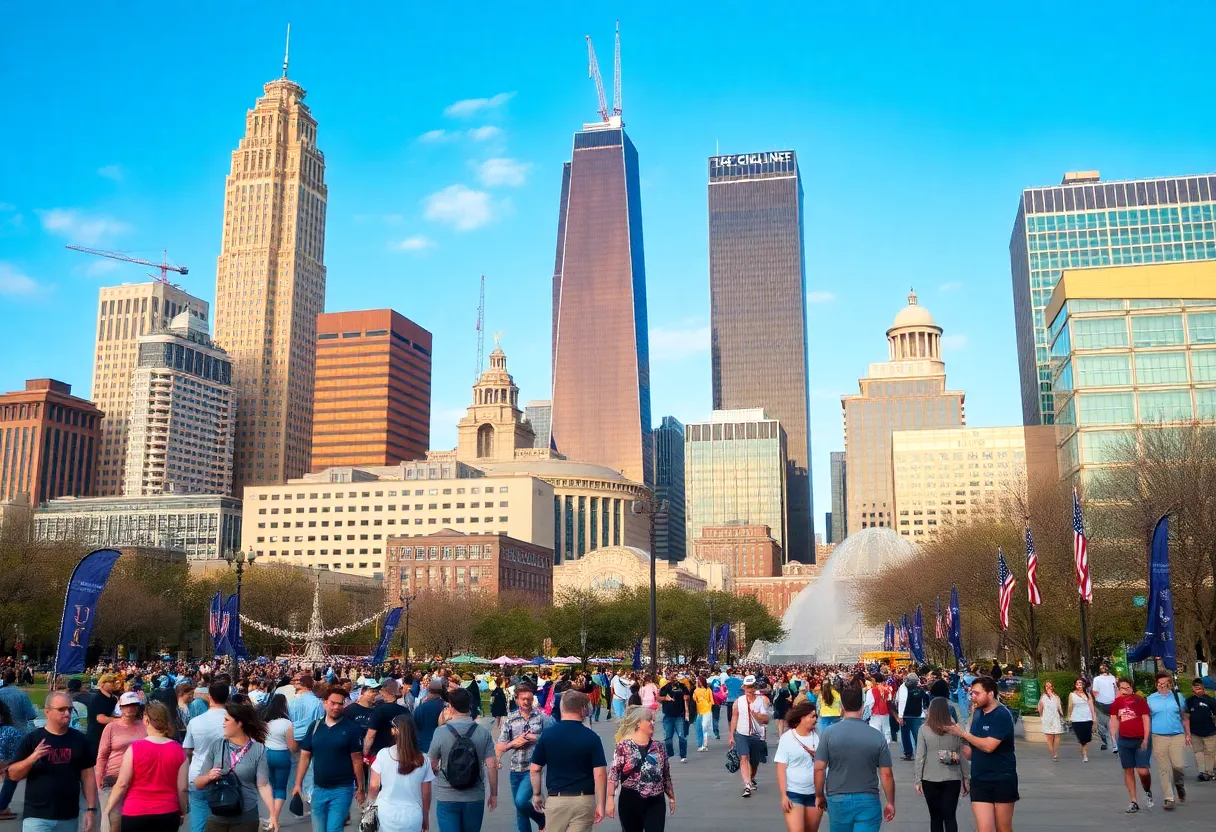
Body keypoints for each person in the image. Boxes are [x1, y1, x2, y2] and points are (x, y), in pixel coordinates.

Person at [7, 691, 98, 832]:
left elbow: (87, 775)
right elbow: (13, 775)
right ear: (47, 712)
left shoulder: (80, 739)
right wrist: (32, 758)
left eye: (70, 709)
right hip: (37, 816)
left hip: (68, 817)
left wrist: (91, 808)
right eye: (61, 709)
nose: (67, 713)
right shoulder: (32, 739)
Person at [813, 684, 895, 831]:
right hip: (868, 798)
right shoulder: (877, 736)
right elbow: (886, 774)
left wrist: (819, 794)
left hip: (837, 797)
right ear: (863, 707)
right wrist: (890, 802)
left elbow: (819, 768)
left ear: (842, 706)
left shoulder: (828, 734)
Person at [104, 701, 188, 832]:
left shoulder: (134, 748)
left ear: (147, 721)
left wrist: (108, 808)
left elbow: (122, 783)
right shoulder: (179, 751)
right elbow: (182, 788)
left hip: (135, 811)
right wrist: (182, 811)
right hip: (168, 811)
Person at [530, 691, 607, 832]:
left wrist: (536, 794)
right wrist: (601, 804)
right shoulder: (592, 737)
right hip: (584, 800)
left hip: (556, 799)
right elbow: (600, 773)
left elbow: (535, 768)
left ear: (562, 708)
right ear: (583, 710)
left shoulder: (548, 735)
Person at [194, 702, 277, 832]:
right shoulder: (217, 745)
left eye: (227, 720)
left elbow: (263, 784)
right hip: (217, 816)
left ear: (239, 723)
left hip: (246, 817)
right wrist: (208, 777)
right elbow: (198, 783)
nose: (223, 724)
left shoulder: (258, 749)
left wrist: (273, 815)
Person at [949, 676, 1016, 832]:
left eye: (977, 693)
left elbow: (989, 746)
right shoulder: (978, 714)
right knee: (984, 828)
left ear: (990, 694)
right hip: (979, 779)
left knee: (1003, 827)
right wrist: (955, 740)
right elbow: (972, 753)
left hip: (1002, 778)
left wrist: (964, 734)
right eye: (972, 693)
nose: (973, 697)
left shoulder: (1002, 715)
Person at [294, 687, 366, 832]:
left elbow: (357, 760)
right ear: (325, 703)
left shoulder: (351, 729)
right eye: (333, 703)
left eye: (340, 704)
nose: (336, 707)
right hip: (318, 789)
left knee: (334, 829)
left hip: (342, 789)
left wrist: (361, 788)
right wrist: (297, 784)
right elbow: (304, 756)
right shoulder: (314, 727)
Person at [428, 687, 497, 832]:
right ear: (470, 705)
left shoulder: (440, 732)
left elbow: (432, 764)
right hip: (474, 796)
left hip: (447, 795)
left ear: (451, 706)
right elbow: (491, 765)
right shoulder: (483, 732)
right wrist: (494, 794)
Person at [606, 706, 673, 832]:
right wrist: (610, 798)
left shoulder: (659, 746)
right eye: (649, 720)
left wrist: (671, 797)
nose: (653, 723)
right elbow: (614, 774)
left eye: (653, 720)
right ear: (638, 723)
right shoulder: (624, 747)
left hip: (655, 800)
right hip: (630, 800)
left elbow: (666, 774)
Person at [495, 685, 551, 832]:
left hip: (533, 769)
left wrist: (536, 738)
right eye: (523, 699)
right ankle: (538, 821)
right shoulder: (511, 719)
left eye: (529, 699)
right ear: (517, 700)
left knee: (521, 802)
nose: (526, 702)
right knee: (520, 811)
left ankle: (542, 819)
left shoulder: (541, 717)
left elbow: (552, 739)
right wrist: (513, 743)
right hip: (515, 768)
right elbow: (500, 745)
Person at [369, 715, 434, 832]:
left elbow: (374, 786)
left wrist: (370, 806)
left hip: (386, 813)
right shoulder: (424, 759)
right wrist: (425, 817)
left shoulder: (383, 754)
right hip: (413, 816)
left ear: (394, 731)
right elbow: (426, 794)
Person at [96, 691, 149, 832]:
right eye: (127, 705)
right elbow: (102, 754)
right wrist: (99, 777)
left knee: (136, 819)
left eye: (133, 705)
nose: (130, 708)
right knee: (115, 820)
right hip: (114, 776)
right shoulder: (111, 727)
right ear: (121, 706)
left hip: (139, 778)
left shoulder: (145, 726)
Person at [914, 697, 968, 832]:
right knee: (950, 816)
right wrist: (967, 777)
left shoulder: (924, 728)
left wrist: (917, 779)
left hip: (929, 776)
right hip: (952, 776)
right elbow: (963, 755)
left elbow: (920, 755)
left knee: (935, 817)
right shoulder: (956, 729)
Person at [184, 681, 231, 832]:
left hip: (198, 776)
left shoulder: (195, 722)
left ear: (210, 697)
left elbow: (187, 750)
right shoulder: (234, 722)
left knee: (198, 824)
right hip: (227, 777)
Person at [774, 700, 822, 832]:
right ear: (802, 718)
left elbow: (824, 767)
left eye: (816, 716)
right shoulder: (787, 738)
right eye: (812, 716)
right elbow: (781, 768)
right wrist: (784, 795)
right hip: (793, 793)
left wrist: (822, 794)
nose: (815, 719)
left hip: (814, 793)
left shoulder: (817, 737)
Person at [1146, 670, 1190, 810]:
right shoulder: (1150, 699)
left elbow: (1184, 717)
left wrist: (1188, 734)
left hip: (1177, 735)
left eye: (1165, 684)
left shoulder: (1178, 697)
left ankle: (1179, 784)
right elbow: (1146, 718)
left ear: (1170, 684)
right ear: (1156, 684)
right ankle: (1169, 798)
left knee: (1178, 766)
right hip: (1159, 736)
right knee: (1164, 768)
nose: (1162, 686)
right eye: (1160, 684)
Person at [1109, 676, 1153, 812]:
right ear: (1118, 689)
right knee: (1128, 769)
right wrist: (1113, 736)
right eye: (1123, 688)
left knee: (1142, 770)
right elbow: (1114, 719)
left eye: (1128, 687)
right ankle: (1133, 801)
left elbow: (1146, 719)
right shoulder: (1116, 703)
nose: (1126, 690)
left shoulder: (1140, 701)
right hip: (1124, 740)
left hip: (1140, 739)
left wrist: (1146, 739)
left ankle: (1147, 790)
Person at [728, 675, 771, 799]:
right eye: (747, 687)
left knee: (755, 762)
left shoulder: (762, 701)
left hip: (757, 735)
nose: (750, 690)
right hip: (742, 733)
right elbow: (734, 717)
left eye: (752, 687)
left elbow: (766, 720)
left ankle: (751, 779)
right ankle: (747, 784)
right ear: (744, 688)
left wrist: (756, 715)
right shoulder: (738, 701)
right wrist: (731, 735)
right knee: (744, 757)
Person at [263, 694, 298, 822]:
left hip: (266, 754)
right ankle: (274, 818)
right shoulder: (287, 723)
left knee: (270, 786)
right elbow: (292, 747)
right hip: (282, 755)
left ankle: (271, 815)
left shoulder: (266, 722)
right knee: (281, 787)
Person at [365, 681, 409, 763]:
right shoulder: (405, 710)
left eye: (381, 690)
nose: (379, 692)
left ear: (385, 692)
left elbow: (370, 735)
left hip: (380, 754)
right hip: (400, 753)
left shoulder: (378, 710)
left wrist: (365, 753)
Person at [1184, 677, 1216, 781]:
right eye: (1195, 685)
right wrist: (1188, 733)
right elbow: (1186, 717)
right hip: (1195, 733)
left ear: (1203, 687)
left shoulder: (1211, 701)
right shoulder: (1189, 701)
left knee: (1210, 752)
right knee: (1198, 752)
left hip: (1210, 732)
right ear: (1192, 687)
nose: (1197, 687)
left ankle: (1209, 771)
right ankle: (1202, 771)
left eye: (1199, 685)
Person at [656, 674, 690, 764]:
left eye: (676, 677)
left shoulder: (682, 686)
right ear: (670, 679)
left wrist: (686, 698)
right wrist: (665, 698)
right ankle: (670, 753)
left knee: (682, 736)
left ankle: (683, 755)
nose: (674, 679)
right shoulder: (666, 687)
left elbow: (688, 695)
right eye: (673, 677)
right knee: (668, 737)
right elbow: (658, 698)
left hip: (679, 715)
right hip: (668, 715)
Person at [0, 701, 23, 822]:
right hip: (11, 763)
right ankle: (2, 807)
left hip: (9, 761)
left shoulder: (8, 732)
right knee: (12, 775)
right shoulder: (9, 731)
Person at [88, 674, 123, 753]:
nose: (113, 683)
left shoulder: (113, 698)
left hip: (110, 734)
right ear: (103, 683)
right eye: (111, 682)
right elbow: (101, 718)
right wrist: (121, 720)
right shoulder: (98, 698)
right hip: (97, 735)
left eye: (114, 681)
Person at [412, 678, 448, 754]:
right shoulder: (446, 707)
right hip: (441, 745)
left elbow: (415, 726)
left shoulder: (421, 707)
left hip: (423, 746)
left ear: (429, 689)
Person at [896, 675, 926, 762]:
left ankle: (910, 753)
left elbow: (899, 702)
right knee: (915, 735)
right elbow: (900, 702)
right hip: (913, 715)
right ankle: (915, 753)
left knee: (911, 736)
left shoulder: (904, 688)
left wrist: (900, 716)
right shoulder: (919, 690)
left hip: (911, 716)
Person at [1065, 678, 1095, 763]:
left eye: (1081, 683)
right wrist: (1069, 717)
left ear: (1084, 685)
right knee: (1081, 738)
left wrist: (1094, 718)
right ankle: (1084, 754)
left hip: (1087, 718)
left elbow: (1091, 706)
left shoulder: (1088, 694)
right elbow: (1070, 706)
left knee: (1087, 738)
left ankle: (1083, 749)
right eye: (1077, 683)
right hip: (1077, 719)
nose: (1079, 685)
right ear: (1075, 685)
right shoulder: (1072, 694)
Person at [1091, 663, 1117, 752]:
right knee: (1103, 724)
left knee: (1109, 724)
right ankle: (1107, 742)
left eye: (1104, 667)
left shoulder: (1112, 678)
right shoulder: (1097, 679)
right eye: (1101, 667)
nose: (1103, 668)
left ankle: (1113, 743)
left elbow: (1116, 689)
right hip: (1102, 703)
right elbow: (1095, 691)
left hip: (1109, 703)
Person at [1035, 681, 1064, 762]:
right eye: (1046, 686)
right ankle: (1054, 754)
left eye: (1050, 686)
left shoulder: (1056, 697)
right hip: (1047, 718)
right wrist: (1042, 716)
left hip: (1056, 718)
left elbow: (1059, 708)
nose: (1048, 687)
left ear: (1053, 687)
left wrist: (1062, 716)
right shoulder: (1043, 697)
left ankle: (1055, 751)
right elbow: (1040, 708)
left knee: (1057, 735)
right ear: (1044, 688)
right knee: (1050, 737)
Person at [691, 676, 714, 752]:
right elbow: (694, 699)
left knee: (704, 728)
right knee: (699, 728)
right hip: (699, 711)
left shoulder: (708, 690)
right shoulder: (696, 690)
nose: (699, 682)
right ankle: (700, 745)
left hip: (707, 711)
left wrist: (708, 705)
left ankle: (704, 745)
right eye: (698, 681)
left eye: (700, 681)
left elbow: (711, 700)